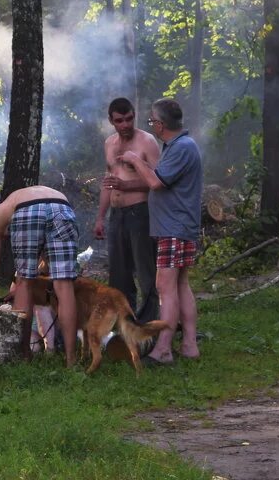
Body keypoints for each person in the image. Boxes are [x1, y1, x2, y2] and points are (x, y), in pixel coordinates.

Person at [119, 98, 202, 365]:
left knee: (164, 287)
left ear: (161, 124)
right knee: (180, 284)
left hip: (174, 228)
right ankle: (189, 344)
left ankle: (163, 349)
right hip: (180, 226)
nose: (151, 124)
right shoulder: (179, 146)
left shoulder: (181, 148)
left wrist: (134, 159)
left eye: (152, 120)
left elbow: (155, 182)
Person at [0, 185, 79, 367]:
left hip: (28, 209)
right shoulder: (20, 197)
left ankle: (23, 355)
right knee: (64, 285)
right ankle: (71, 360)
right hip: (63, 206)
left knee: (25, 282)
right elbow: (47, 264)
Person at [96, 97, 161, 323]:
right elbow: (109, 181)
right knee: (118, 274)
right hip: (117, 215)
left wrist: (127, 185)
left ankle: (151, 323)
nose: (125, 125)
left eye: (129, 119)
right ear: (111, 121)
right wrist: (100, 218)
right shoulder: (109, 143)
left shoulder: (147, 141)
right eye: (119, 120)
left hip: (140, 212)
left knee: (146, 273)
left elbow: (159, 181)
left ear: (135, 115)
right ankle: (125, 322)